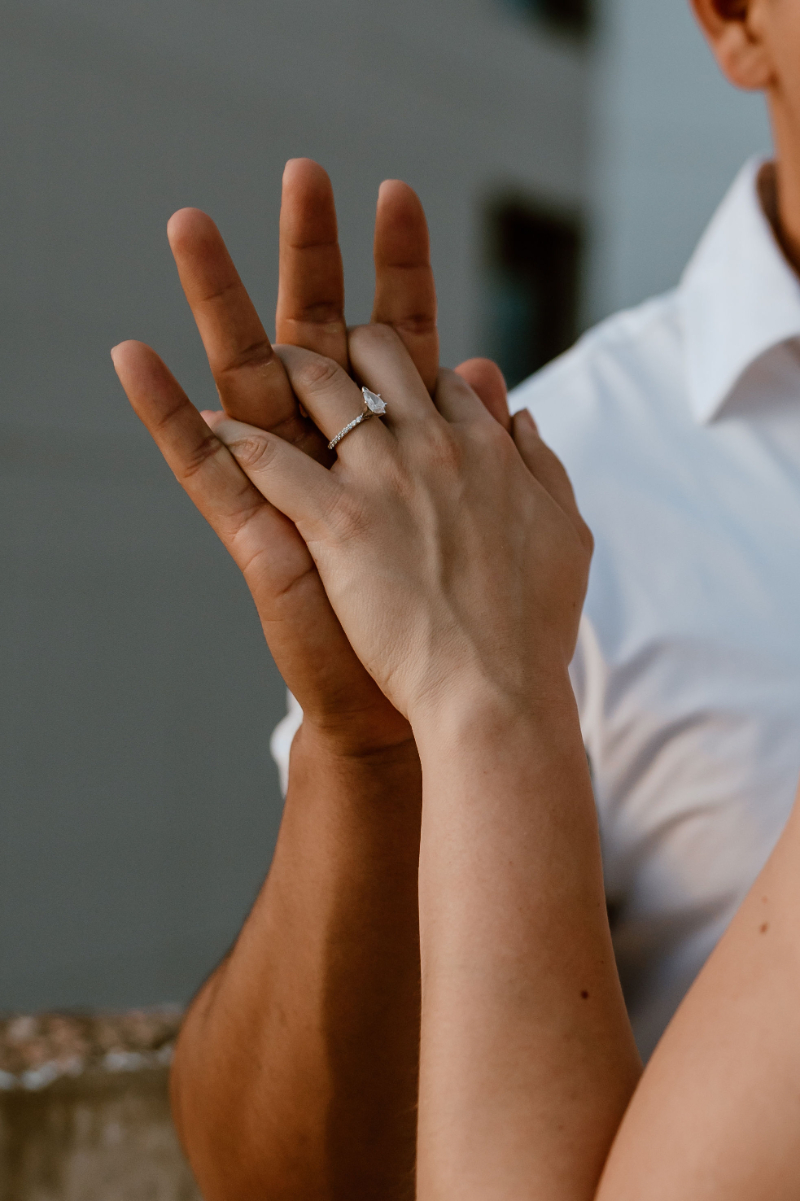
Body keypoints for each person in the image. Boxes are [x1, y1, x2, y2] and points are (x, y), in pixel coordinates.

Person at [111, 0, 800, 1194]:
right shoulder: (565, 467)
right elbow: (288, 1180)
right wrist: (371, 751)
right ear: (735, 21)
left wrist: (483, 700)